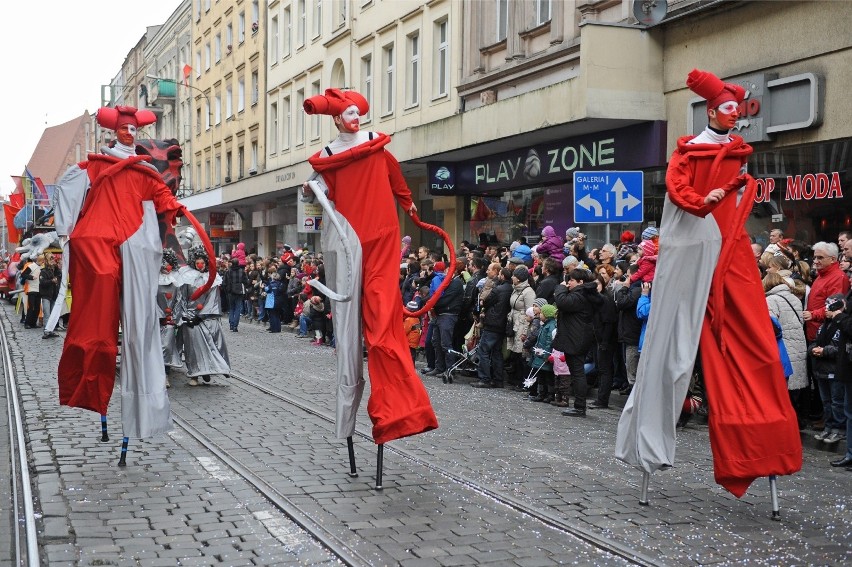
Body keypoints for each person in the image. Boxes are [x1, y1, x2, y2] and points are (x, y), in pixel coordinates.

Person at [615, 69, 801, 497]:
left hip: (729, 250)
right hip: (693, 247)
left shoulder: (736, 152)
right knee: (669, 348)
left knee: (751, 343)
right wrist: (704, 201)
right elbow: (678, 188)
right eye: (729, 108)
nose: (735, 115)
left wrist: (728, 196)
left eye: (738, 108)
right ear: (713, 110)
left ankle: (759, 449)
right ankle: (647, 444)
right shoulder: (690, 150)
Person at [54, 106, 204, 440]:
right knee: (95, 326)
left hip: (135, 247)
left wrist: (174, 206)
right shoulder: (94, 166)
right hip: (100, 244)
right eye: (124, 128)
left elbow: (162, 195)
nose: (129, 133)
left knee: (142, 329)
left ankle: (143, 412)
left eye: (134, 129)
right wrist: (66, 233)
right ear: (115, 131)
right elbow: (69, 193)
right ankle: (92, 394)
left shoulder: (145, 171)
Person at [301, 88, 438, 443]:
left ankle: (400, 411)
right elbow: (321, 189)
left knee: (383, 323)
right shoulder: (330, 157)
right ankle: (346, 422)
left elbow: (398, 183)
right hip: (347, 241)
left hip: (381, 238)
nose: (354, 118)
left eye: (355, 112)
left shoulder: (378, 149)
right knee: (346, 333)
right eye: (347, 114)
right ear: (335, 119)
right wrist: (310, 190)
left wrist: (412, 212)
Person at [178, 245, 230, 386]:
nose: (200, 265)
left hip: (206, 317)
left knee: (211, 343)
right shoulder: (186, 277)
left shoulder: (212, 278)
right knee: (193, 348)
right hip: (189, 316)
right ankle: (195, 375)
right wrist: (185, 315)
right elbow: (181, 298)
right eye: (197, 262)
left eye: (202, 262)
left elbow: (213, 299)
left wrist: (201, 316)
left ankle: (209, 370)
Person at [554, 268, 602, 417]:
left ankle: (580, 407)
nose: (568, 283)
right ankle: (579, 406)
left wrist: (561, 287)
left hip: (576, 338)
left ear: (580, 282)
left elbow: (562, 302)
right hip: (576, 337)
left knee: (577, 372)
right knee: (576, 371)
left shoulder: (580, 295)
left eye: (572, 280)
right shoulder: (583, 294)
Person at [473, 267, 512, 388]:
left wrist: (483, 305)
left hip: (492, 323)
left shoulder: (498, 289)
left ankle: (485, 378)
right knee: (496, 352)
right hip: (502, 324)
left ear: (502, 276)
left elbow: (486, 301)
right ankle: (498, 379)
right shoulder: (511, 289)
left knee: (483, 351)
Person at [157, 248, 183, 388]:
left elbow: (179, 301)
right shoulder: (153, 281)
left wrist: (174, 317)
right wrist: (159, 315)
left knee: (167, 346)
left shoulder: (175, 281)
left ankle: (165, 374)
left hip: (169, 320)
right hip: (155, 321)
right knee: (155, 348)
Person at [224, 258, 250, 332]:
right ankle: (235, 325)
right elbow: (246, 282)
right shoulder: (242, 271)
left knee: (231, 308)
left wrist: (227, 290)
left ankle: (231, 324)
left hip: (230, 292)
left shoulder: (228, 272)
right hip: (239, 291)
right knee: (238, 308)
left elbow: (224, 283)